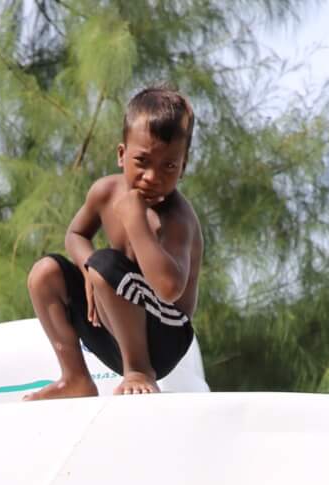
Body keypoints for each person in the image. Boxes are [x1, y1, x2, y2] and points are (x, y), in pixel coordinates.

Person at [26, 86, 202, 399]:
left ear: (183, 166)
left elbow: (169, 288)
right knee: (44, 273)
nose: (152, 176)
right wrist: (87, 273)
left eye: (169, 166)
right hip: (111, 325)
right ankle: (75, 377)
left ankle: (139, 370)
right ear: (122, 154)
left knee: (104, 264)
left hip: (163, 338)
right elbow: (76, 235)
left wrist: (136, 221)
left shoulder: (177, 218)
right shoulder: (105, 192)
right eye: (142, 161)